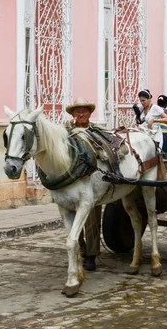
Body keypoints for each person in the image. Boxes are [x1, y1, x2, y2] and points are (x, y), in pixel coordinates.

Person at [65, 97, 101, 272]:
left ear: (89, 113)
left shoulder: (96, 131)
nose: (81, 114)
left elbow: (107, 149)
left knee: (92, 219)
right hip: (71, 183)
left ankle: (92, 255)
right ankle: (81, 249)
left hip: (92, 181)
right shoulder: (67, 132)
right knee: (72, 219)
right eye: (78, 111)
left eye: (85, 111)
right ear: (73, 114)